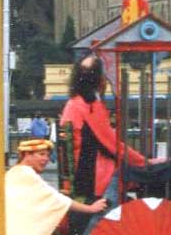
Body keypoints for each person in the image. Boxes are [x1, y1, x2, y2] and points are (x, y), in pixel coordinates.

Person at [59, 54, 147, 202]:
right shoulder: (90, 106)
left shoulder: (73, 103)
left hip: (79, 172)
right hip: (95, 174)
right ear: (99, 79)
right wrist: (145, 162)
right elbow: (112, 145)